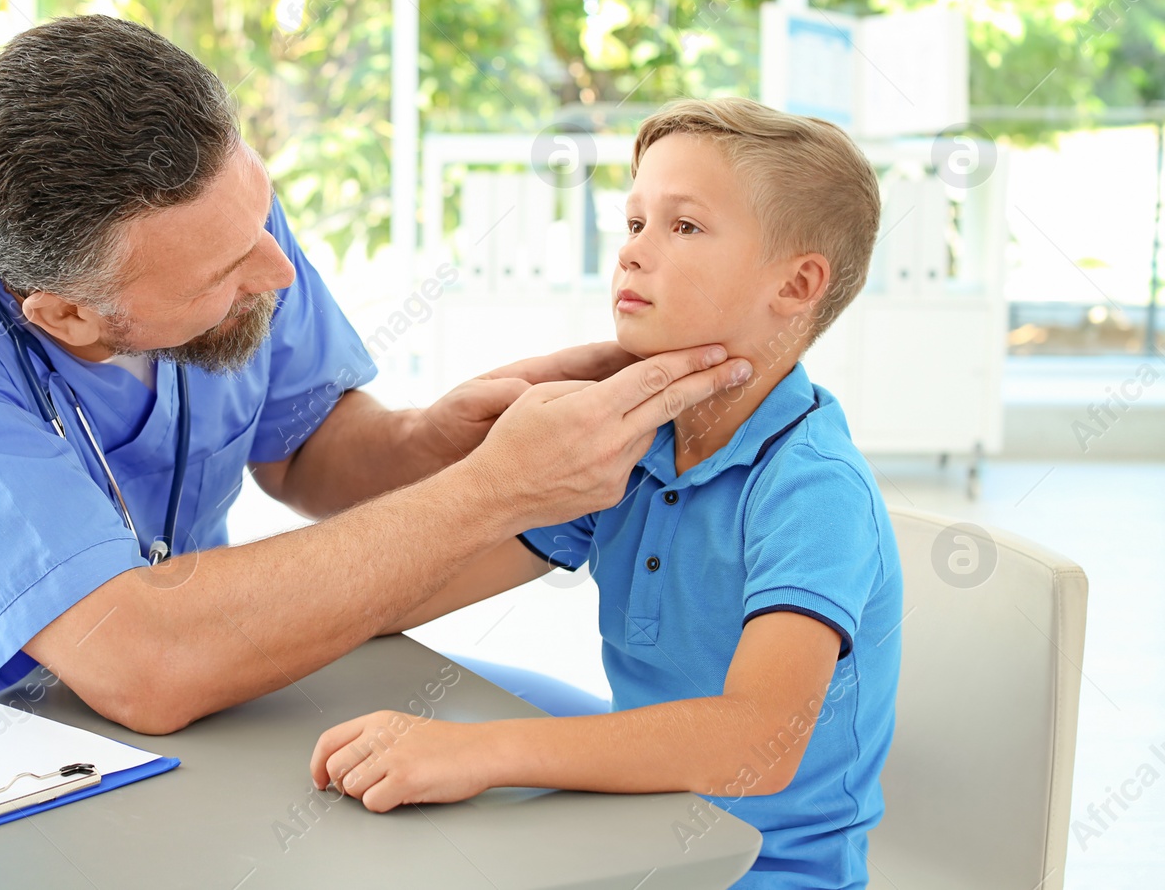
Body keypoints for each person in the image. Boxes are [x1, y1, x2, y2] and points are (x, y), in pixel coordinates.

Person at [0, 15, 751, 735]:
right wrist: (493, 492)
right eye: (225, 275)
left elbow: (306, 451)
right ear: (66, 315)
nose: (278, 272)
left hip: (196, 719)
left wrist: (440, 440)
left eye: (259, 220)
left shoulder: (212, 210)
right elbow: (141, 660)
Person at [311, 98, 903, 889]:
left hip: (763, 868)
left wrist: (476, 754)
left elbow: (755, 740)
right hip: (642, 825)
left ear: (796, 284)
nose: (631, 253)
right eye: (632, 223)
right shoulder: (634, 443)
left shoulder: (812, 488)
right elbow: (413, 589)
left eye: (682, 226)